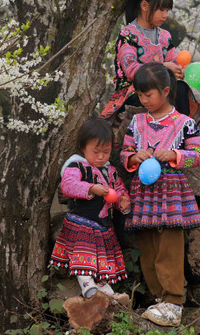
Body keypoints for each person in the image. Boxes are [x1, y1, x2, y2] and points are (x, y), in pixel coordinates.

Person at [119, 63, 200, 327]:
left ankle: (174, 301)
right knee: (147, 243)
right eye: (140, 96)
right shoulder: (137, 122)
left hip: (171, 192)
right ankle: (158, 297)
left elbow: (198, 155)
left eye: (149, 95)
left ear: (166, 91)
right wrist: (134, 156)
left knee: (169, 242)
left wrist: (175, 155)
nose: (144, 101)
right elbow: (124, 154)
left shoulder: (185, 123)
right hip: (144, 193)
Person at [101, 0, 200, 124]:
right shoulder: (128, 35)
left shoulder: (165, 36)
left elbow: (173, 59)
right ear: (144, 5)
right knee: (155, 94)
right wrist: (163, 68)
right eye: (161, 10)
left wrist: (179, 68)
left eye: (167, 10)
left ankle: (183, 129)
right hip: (135, 93)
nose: (165, 15)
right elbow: (131, 70)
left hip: (161, 90)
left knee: (180, 87)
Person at [50, 118, 131, 298]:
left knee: (101, 260)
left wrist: (122, 201)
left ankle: (106, 293)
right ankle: (87, 287)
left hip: (103, 225)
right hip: (82, 223)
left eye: (106, 152)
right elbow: (68, 186)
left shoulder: (111, 171)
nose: (101, 157)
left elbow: (118, 190)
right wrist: (90, 188)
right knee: (83, 255)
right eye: (96, 152)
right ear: (83, 147)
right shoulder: (76, 166)